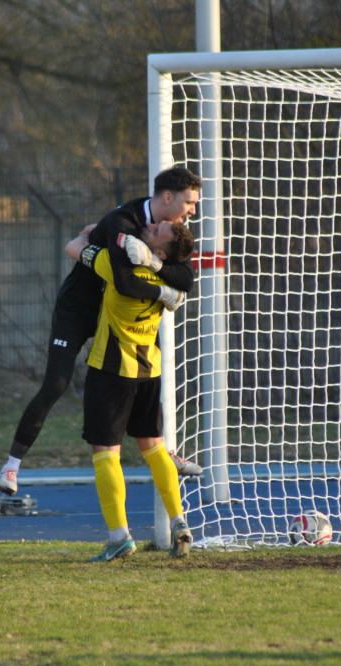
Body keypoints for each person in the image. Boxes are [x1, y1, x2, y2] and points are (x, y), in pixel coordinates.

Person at [0, 166, 204, 496]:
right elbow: (124, 282)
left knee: (151, 370)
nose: (193, 210)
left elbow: (186, 279)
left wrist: (156, 265)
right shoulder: (124, 221)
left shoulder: (171, 229)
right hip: (81, 309)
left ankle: (162, 448)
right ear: (167, 198)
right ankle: (10, 467)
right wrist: (164, 292)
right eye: (189, 202)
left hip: (119, 316)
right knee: (56, 384)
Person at [64, 220, 197, 561]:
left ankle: (119, 537)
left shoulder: (116, 266)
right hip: (149, 370)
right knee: (154, 448)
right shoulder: (167, 278)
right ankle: (179, 521)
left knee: (106, 453)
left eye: (156, 232)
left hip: (111, 371)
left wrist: (94, 230)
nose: (149, 229)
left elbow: (73, 247)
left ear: (158, 251)